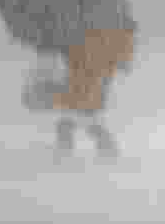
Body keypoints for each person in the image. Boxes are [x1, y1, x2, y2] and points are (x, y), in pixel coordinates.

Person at [51, 26, 135, 161]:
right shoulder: (99, 29)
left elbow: (119, 55)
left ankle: (107, 152)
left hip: (91, 77)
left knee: (80, 118)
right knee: (78, 119)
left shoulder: (107, 29)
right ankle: (107, 152)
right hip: (85, 77)